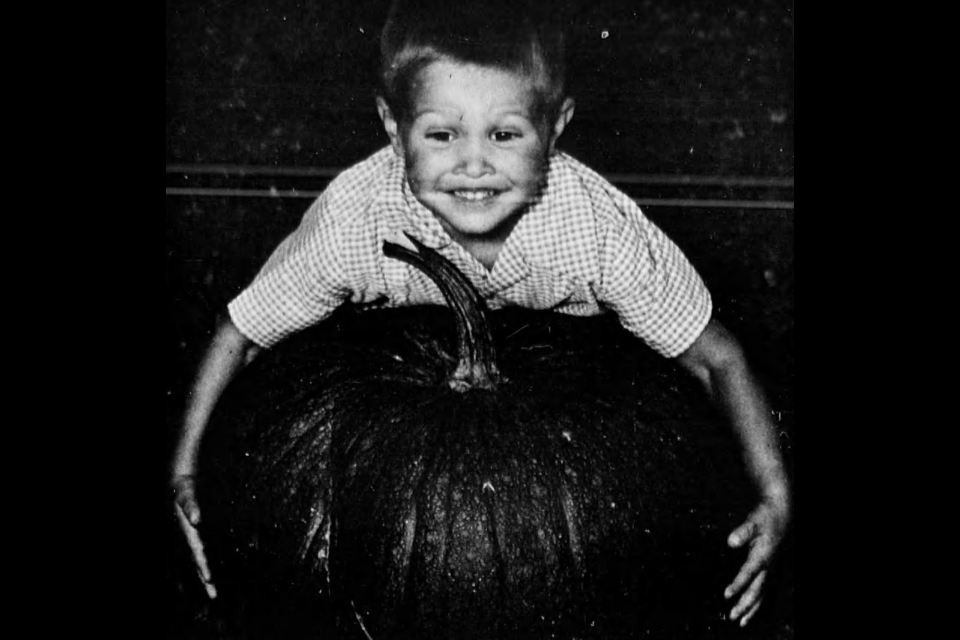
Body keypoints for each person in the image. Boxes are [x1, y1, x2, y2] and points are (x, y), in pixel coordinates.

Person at [171, 0, 791, 628]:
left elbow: (716, 358)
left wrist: (773, 494)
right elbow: (241, 334)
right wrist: (185, 468)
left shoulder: (594, 231)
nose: (474, 165)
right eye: (442, 134)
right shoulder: (352, 221)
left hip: (572, 389)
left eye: (505, 134)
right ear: (392, 128)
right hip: (393, 378)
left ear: (555, 128)